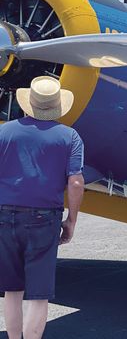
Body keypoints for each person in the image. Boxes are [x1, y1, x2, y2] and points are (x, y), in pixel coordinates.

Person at [0, 76, 85, 339]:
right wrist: (71, 220)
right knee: (39, 295)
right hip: (44, 219)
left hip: (4, 215)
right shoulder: (70, 136)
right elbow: (76, 182)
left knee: (11, 290)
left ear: (28, 104)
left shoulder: (3, 132)